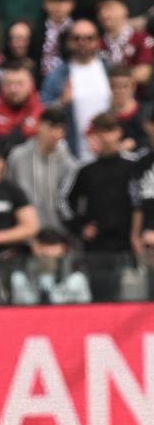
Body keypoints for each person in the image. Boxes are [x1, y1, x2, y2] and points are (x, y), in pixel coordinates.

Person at [60, 112, 140, 301]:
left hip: (129, 242)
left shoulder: (134, 164)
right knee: (101, 295)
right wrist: (80, 227)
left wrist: (139, 231)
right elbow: (63, 201)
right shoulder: (85, 168)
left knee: (133, 297)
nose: (105, 137)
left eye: (109, 131)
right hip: (97, 246)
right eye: (100, 132)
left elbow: (144, 200)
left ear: (119, 133)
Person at [40, 19, 111, 161]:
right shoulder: (56, 76)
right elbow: (43, 113)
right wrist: (61, 102)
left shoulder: (110, 70)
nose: (82, 42)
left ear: (97, 41)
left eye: (89, 38)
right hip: (73, 155)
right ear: (69, 41)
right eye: (77, 38)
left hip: (108, 152)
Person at [5, 106, 78, 235]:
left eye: (60, 129)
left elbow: (69, 201)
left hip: (59, 233)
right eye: (51, 127)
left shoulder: (70, 163)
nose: (55, 133)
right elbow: (9, 192)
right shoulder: (17, 156)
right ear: (39, 126)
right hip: (25, 232)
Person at [10, 228, 92, 304]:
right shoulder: (25, 262)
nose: (47, 251)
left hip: (68, 305)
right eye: (42, 246)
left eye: (51, 246)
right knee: (18, 278)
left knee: (77, 279)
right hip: (32, 304)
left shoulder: (73, 264)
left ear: (62, 247)